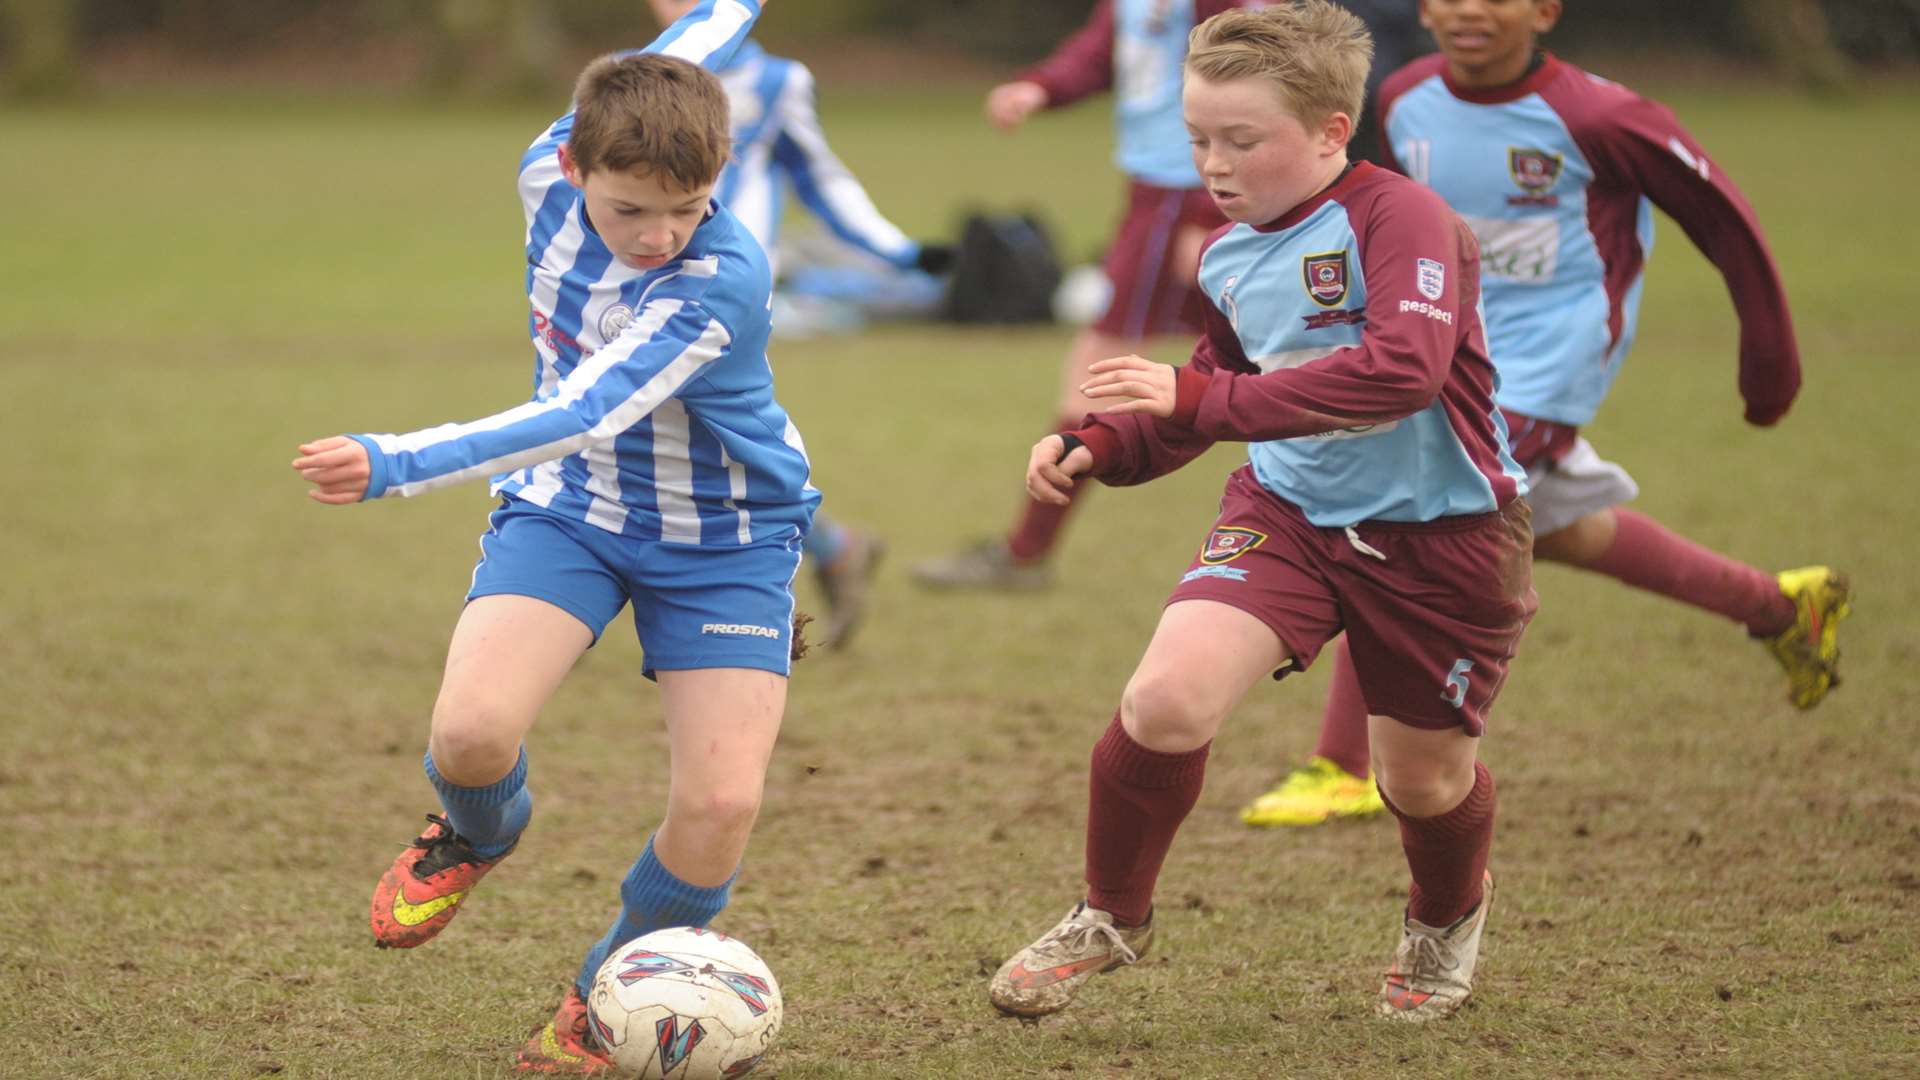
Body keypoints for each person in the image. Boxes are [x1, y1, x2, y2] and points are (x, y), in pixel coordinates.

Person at [989, 3, 1536, 1023]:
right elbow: (1211, 389)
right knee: (1164, 702)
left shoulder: (1400, 219)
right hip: (1291, 513)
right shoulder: (1229, 256)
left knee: (1420, 781)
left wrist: (1200, 400)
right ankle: (1112, 915)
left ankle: (1445, 917)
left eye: (1242, 140)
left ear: (1332, 129)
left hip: (1445, 539)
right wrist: (1098, 445)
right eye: (1199, 139)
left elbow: (1401, 372)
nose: (1215, 164)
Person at [291, 2, 812, 1071]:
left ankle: (599, 1000)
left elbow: (583, 407)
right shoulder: (549, 165)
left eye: (689, 206)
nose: (661, 234)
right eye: (631, 210)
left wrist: (397, 461)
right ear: (572, 165)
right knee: (471, 735)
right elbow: (687, 46)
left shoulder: (718, 285)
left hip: (728, 539)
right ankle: (477, 832)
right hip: (573, 507)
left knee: (720, 804)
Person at [1241, 0, 1851, 831]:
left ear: (1544, 11)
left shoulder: (1602, 116)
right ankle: (1780, 606)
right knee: (1559, 523)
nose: (1469, 11)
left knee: (1390, 504)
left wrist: (1769, 363)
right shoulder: (1408, 95)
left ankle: (1342, 765)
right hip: (1447, 352)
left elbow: (1725, 220)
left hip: (1548, 364)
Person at [642, 0, 956, 647]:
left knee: (696, 434)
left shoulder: (777, 82)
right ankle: (831, 549)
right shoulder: (625, 78)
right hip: (637, 290)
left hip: (729, 297)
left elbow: (822, 177)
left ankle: (752, 586)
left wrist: (897, 250)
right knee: (675, 437)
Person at [909, 0, 1246, 591]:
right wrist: (1039, 87)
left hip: (1185, 193)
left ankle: (1025, 554)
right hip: (1159, 190)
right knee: (1249, 359)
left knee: (1101, 372)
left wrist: (1206, 207)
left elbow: (1251, 68)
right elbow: (1099, 52)